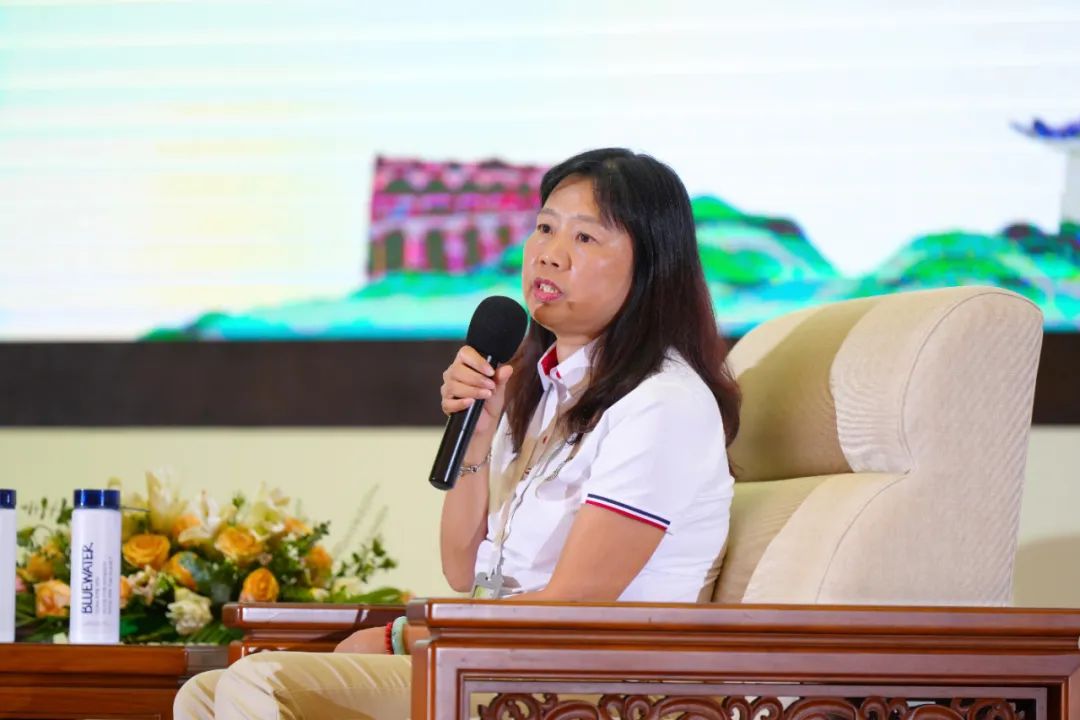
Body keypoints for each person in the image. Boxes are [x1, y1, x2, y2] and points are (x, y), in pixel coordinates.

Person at [174, 148, 741, 719]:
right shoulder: (544, 389)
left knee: (262, 684)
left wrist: (404, 637)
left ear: (651, 267)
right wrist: (478, 434)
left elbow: (575, 603)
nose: (549, 253)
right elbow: (464, 569)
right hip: (498, 661)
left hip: (590, 682)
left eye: (585, 237)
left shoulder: (661, 403)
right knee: (203, 692)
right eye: (545, 228)